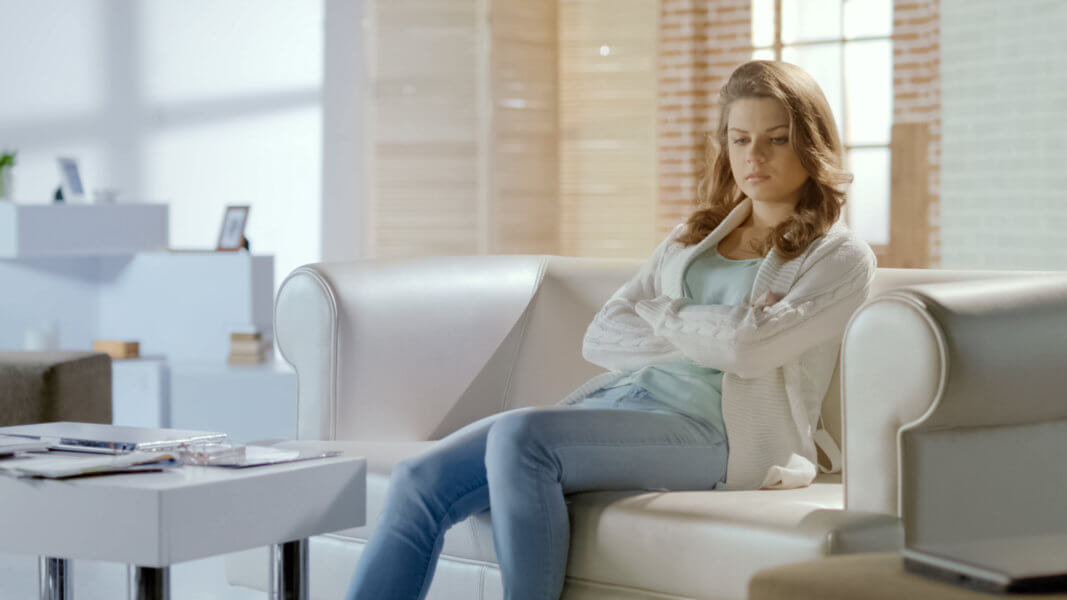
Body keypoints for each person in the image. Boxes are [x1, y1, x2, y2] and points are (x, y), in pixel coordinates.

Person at [345, 60, 877, 600]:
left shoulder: (839, 256)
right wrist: (720, 321)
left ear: (810, 145)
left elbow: (748, 351)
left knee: (521, 438)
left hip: (718, 432)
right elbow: (601, 333)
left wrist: (668, 313)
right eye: (739, 139)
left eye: (776, 139)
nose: (753, 156)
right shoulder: (691, 237)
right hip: (627, 401)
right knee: (418, 483)